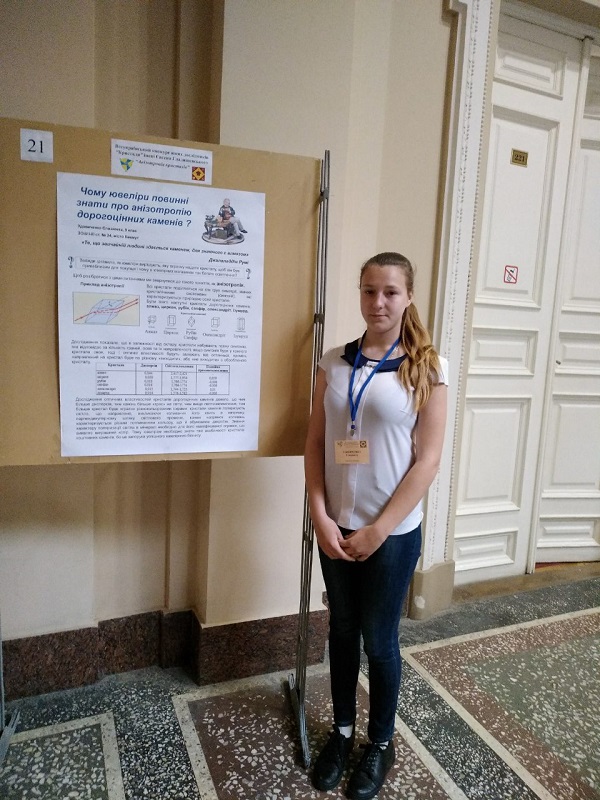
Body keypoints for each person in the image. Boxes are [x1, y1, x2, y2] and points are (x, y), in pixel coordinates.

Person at [304, 251, 448, 799]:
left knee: (379, 640)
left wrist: (379, 530)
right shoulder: (333, 362)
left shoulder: (427, 368)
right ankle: (342, 733)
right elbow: (314, 443)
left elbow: (427, 462)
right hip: (336, 527)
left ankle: (380, 743)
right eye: (369, 291)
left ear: (408, 296)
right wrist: (320, 514)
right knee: (341, 631)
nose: (378, 302)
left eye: (390, 291)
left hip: (392, 534)